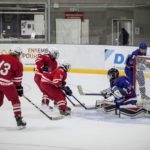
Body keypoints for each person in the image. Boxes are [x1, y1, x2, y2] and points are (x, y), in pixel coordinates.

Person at [0, 47, 26, 128]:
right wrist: (19, 88)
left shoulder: (2, 56)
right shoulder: (18, 63)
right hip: (6, 84)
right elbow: (17, 80)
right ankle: (19, 119)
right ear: (18, 54)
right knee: (15, 101)